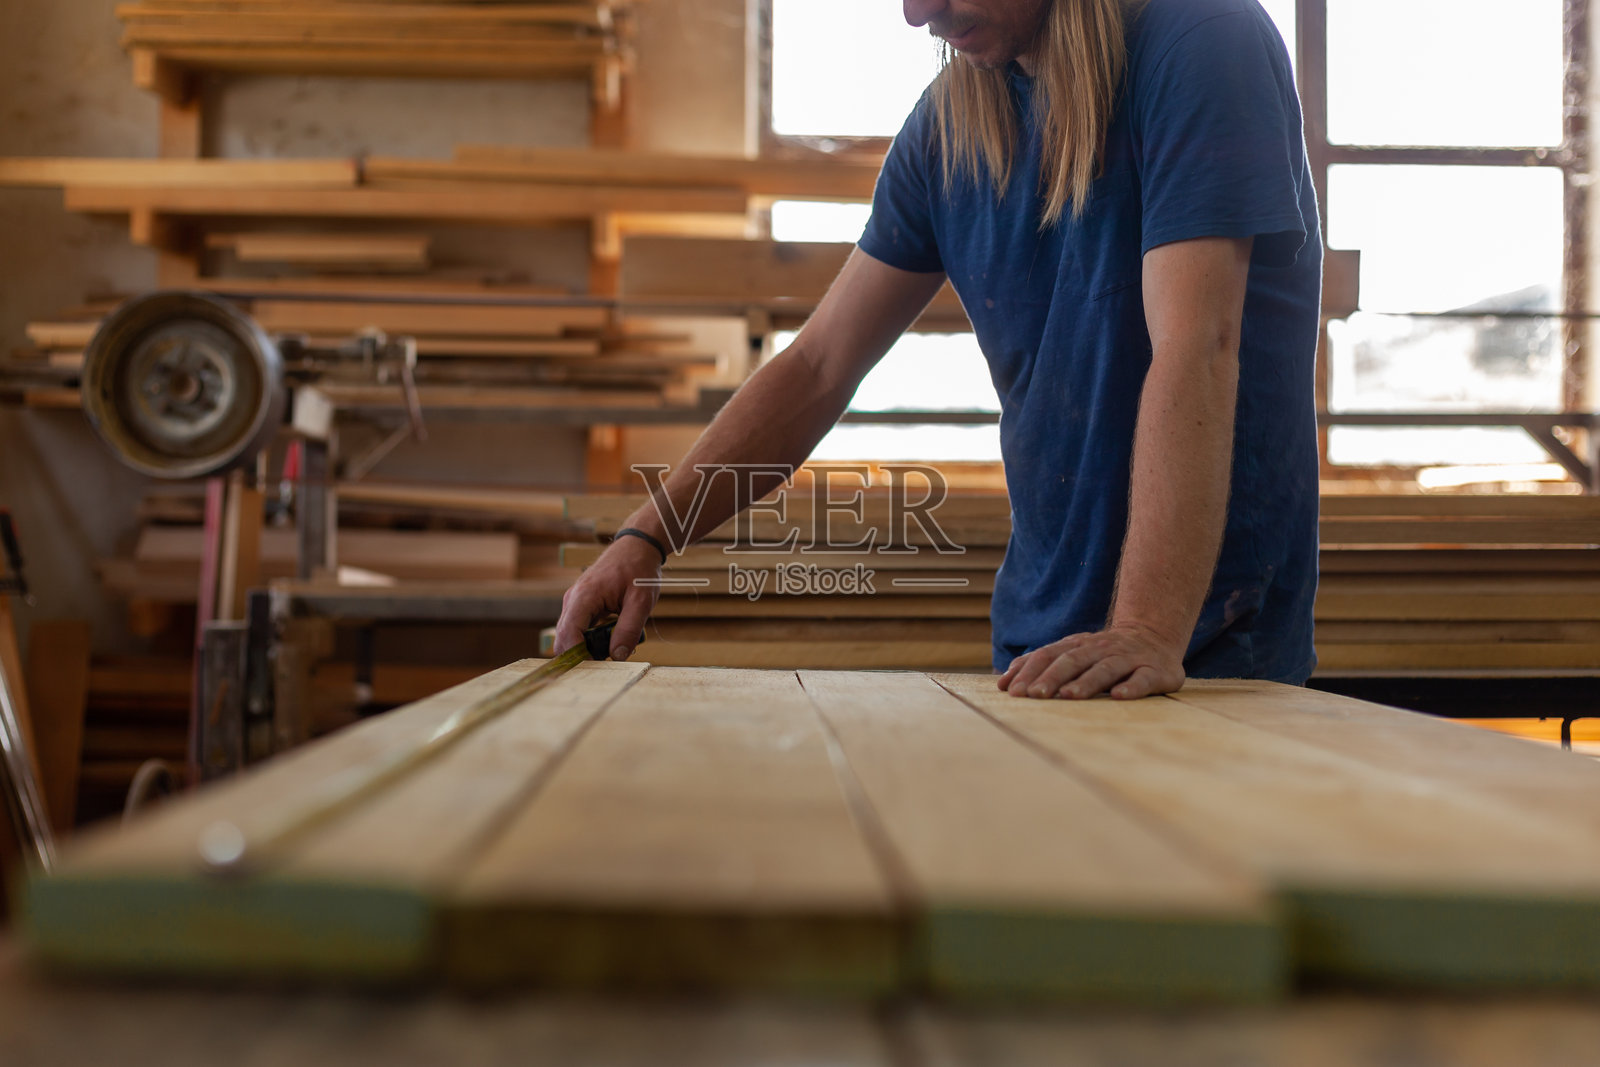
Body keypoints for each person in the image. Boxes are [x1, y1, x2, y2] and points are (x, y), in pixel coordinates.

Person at [555, 0, 1322, 700]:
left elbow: (1197, 345)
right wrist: (646, 536)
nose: (918, 12)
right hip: (1036, 654)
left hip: (1203, 657)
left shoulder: (1203, 42)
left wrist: (1147, 631)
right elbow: (819, 366)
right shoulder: (951, 124)